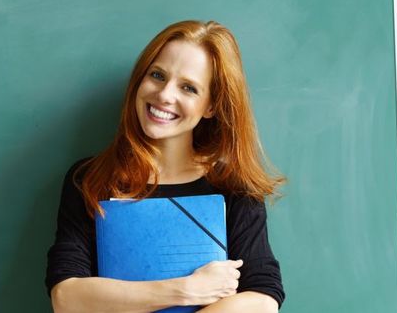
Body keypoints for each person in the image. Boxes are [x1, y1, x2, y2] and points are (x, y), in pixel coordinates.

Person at [45, 20, 286, 313]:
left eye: (188, 88)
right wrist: (185, 290)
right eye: (157, 75)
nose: (165, 95)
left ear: (211, 106)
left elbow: (263, 300)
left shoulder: (234, 188)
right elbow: (67, 299)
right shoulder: (90, 179)